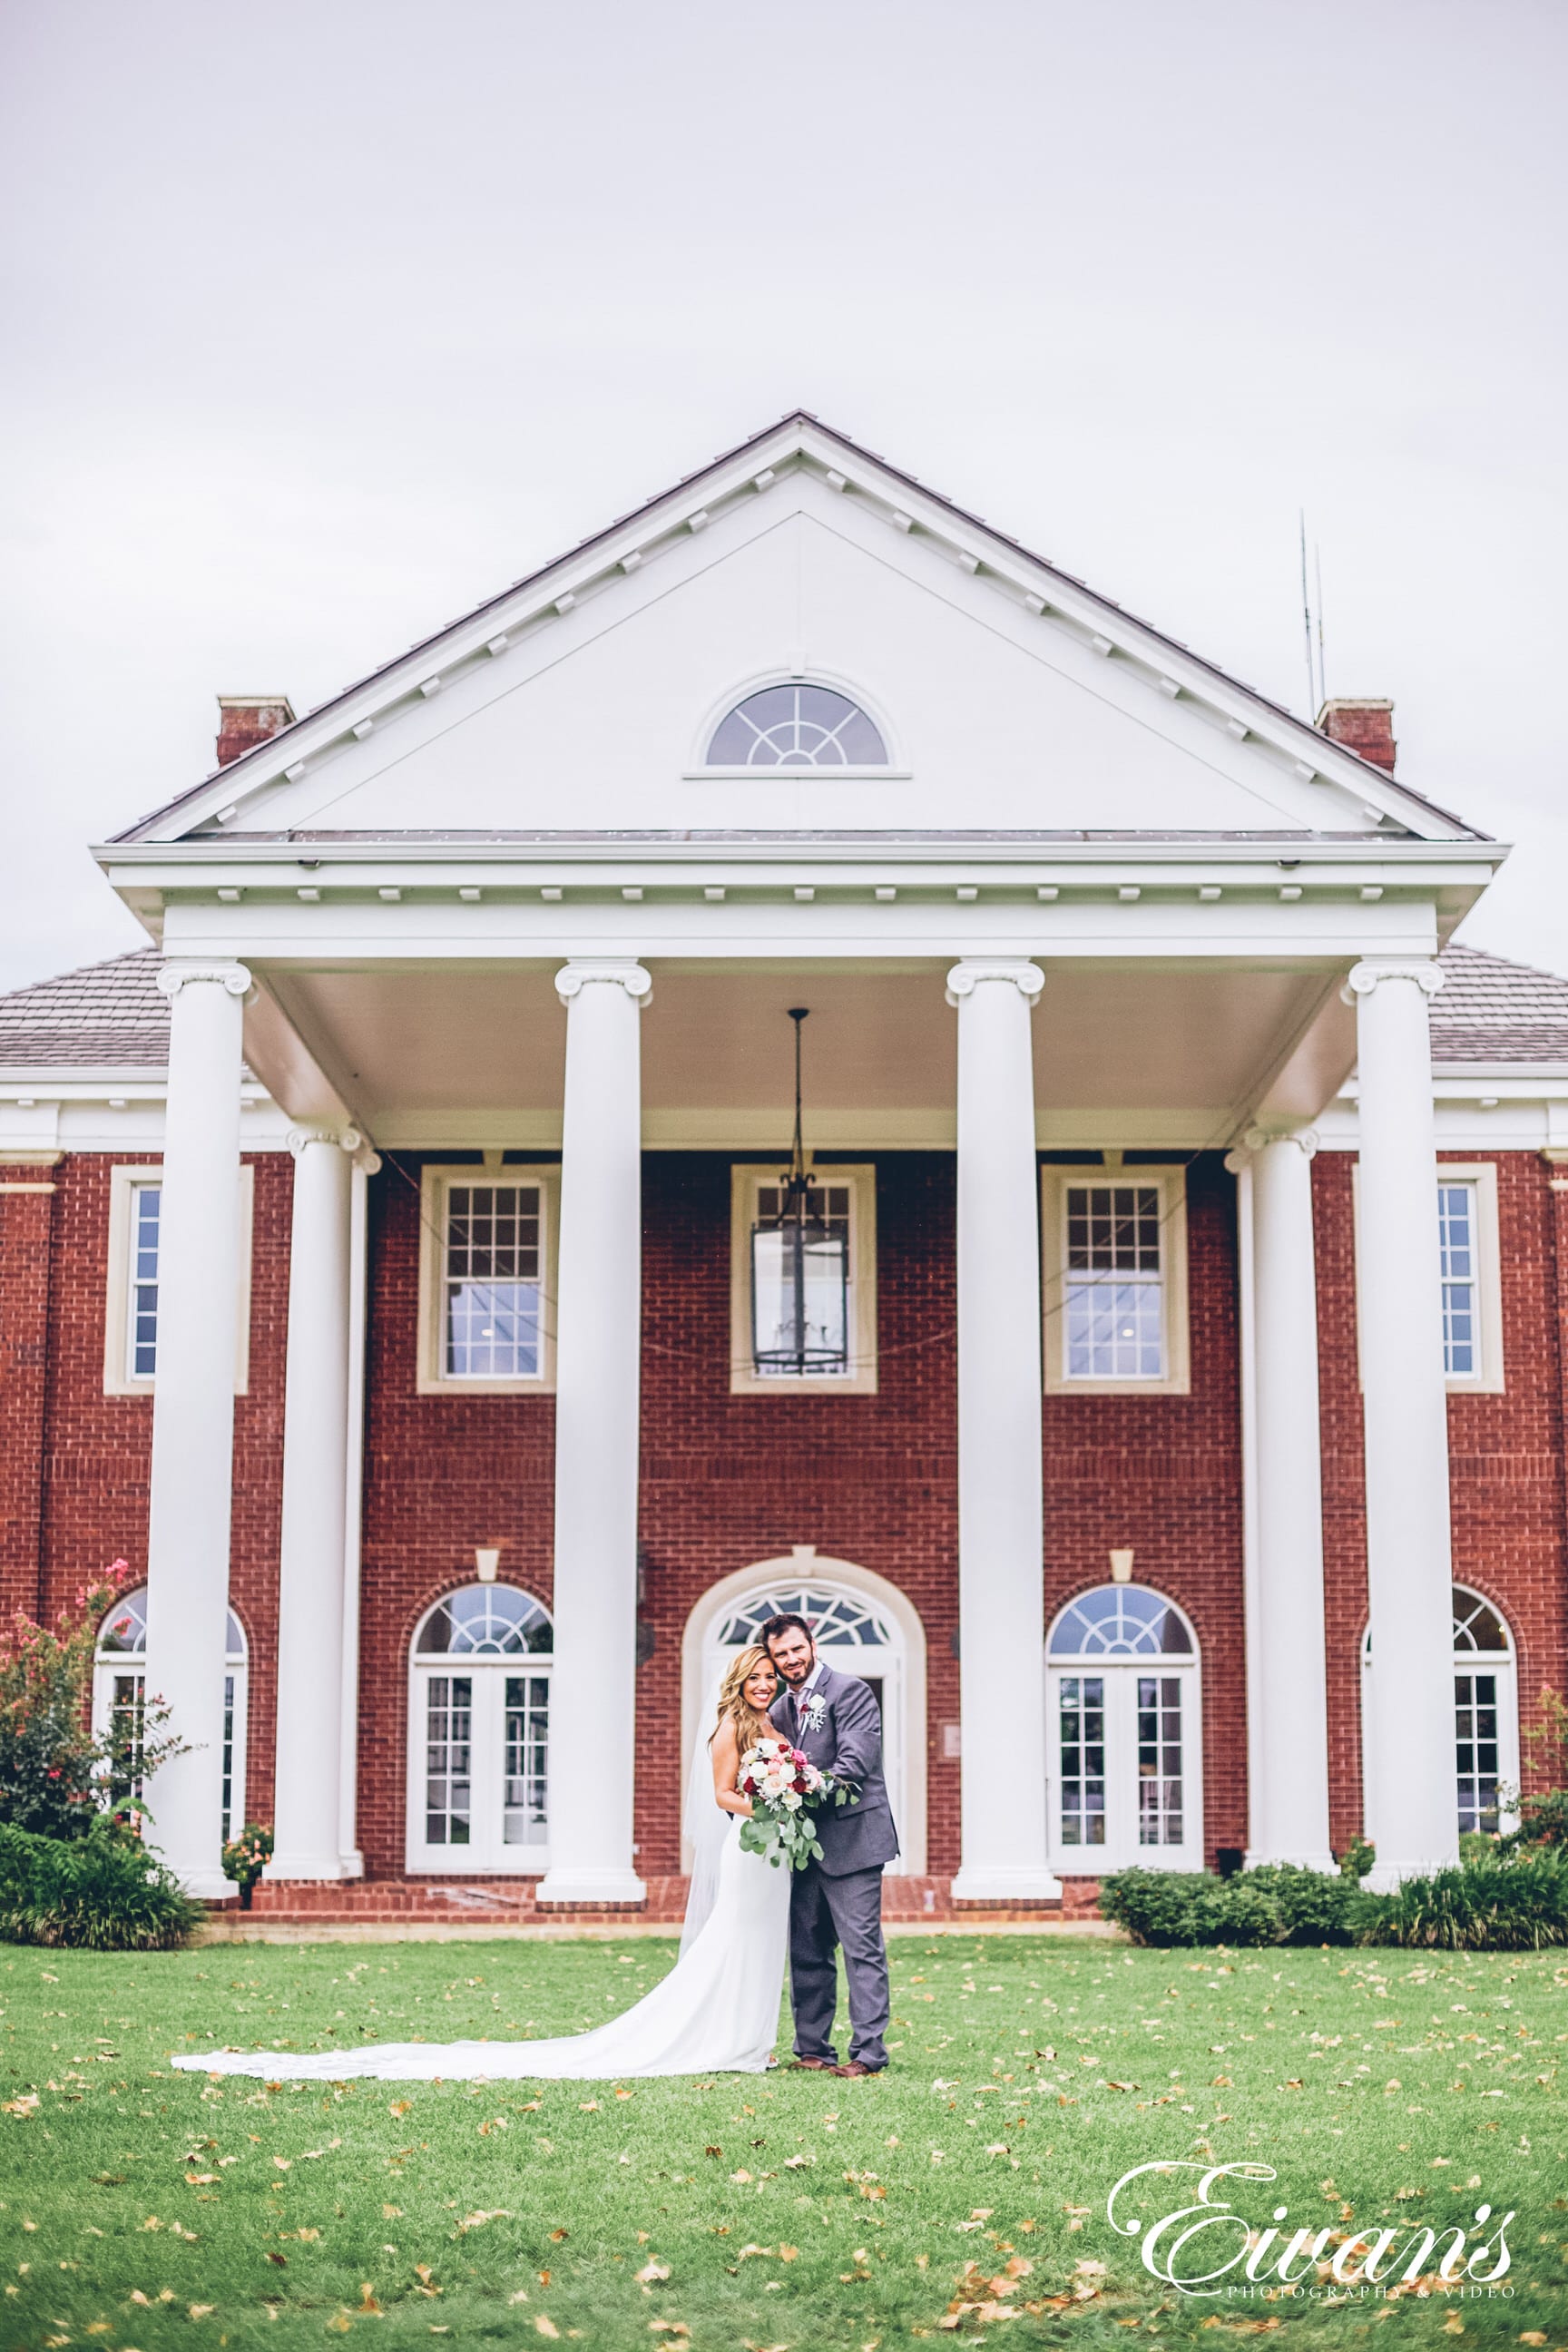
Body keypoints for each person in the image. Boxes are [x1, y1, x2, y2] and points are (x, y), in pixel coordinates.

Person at [170, 1647, 791, 2082]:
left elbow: (782, 1776)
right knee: (735, 1941)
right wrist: (766, 1803)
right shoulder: (728, 1729)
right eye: (756, 1674)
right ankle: (729, 2040)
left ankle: (751, 2041)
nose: (765, 1682)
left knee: (763, 1943)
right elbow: (722, 1796)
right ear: (738, 1680)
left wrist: (790, 1790)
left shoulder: (768, 1722)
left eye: (770, 1675)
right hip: (748, 1843)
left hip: (772, 1853)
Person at [762, 1611, 898, 2077]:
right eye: (781, 1655)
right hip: (802, 1849)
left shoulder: (851, 1691)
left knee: (861, 1948)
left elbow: (855, 1763)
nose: (791, 1660)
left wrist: (794, 1784)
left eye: (796, 1649)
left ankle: (868, 2054)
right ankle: (813, 2049)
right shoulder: (778, 1711)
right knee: (807, 1949)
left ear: (812, 1645)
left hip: (855, 1839)